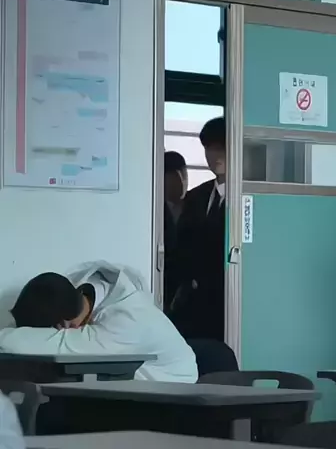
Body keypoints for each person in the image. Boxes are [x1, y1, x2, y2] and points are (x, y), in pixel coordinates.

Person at [0, 261, 198, 383]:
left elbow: (17, 342)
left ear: (64, 325)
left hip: (175, 384)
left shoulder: (124, 322)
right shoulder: (77, 290)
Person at [170, 117, 226, 341]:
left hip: (229, 306)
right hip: (195, 307)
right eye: (209, 148)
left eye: (221, 147)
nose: (215, 155)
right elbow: (182, 247)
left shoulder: (248, 197)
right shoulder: (196, 196)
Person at [164, 151, 188, 311]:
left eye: (184, 175)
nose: (182, 182)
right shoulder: (155, 210)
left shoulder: (196, 203)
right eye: (175, 176)